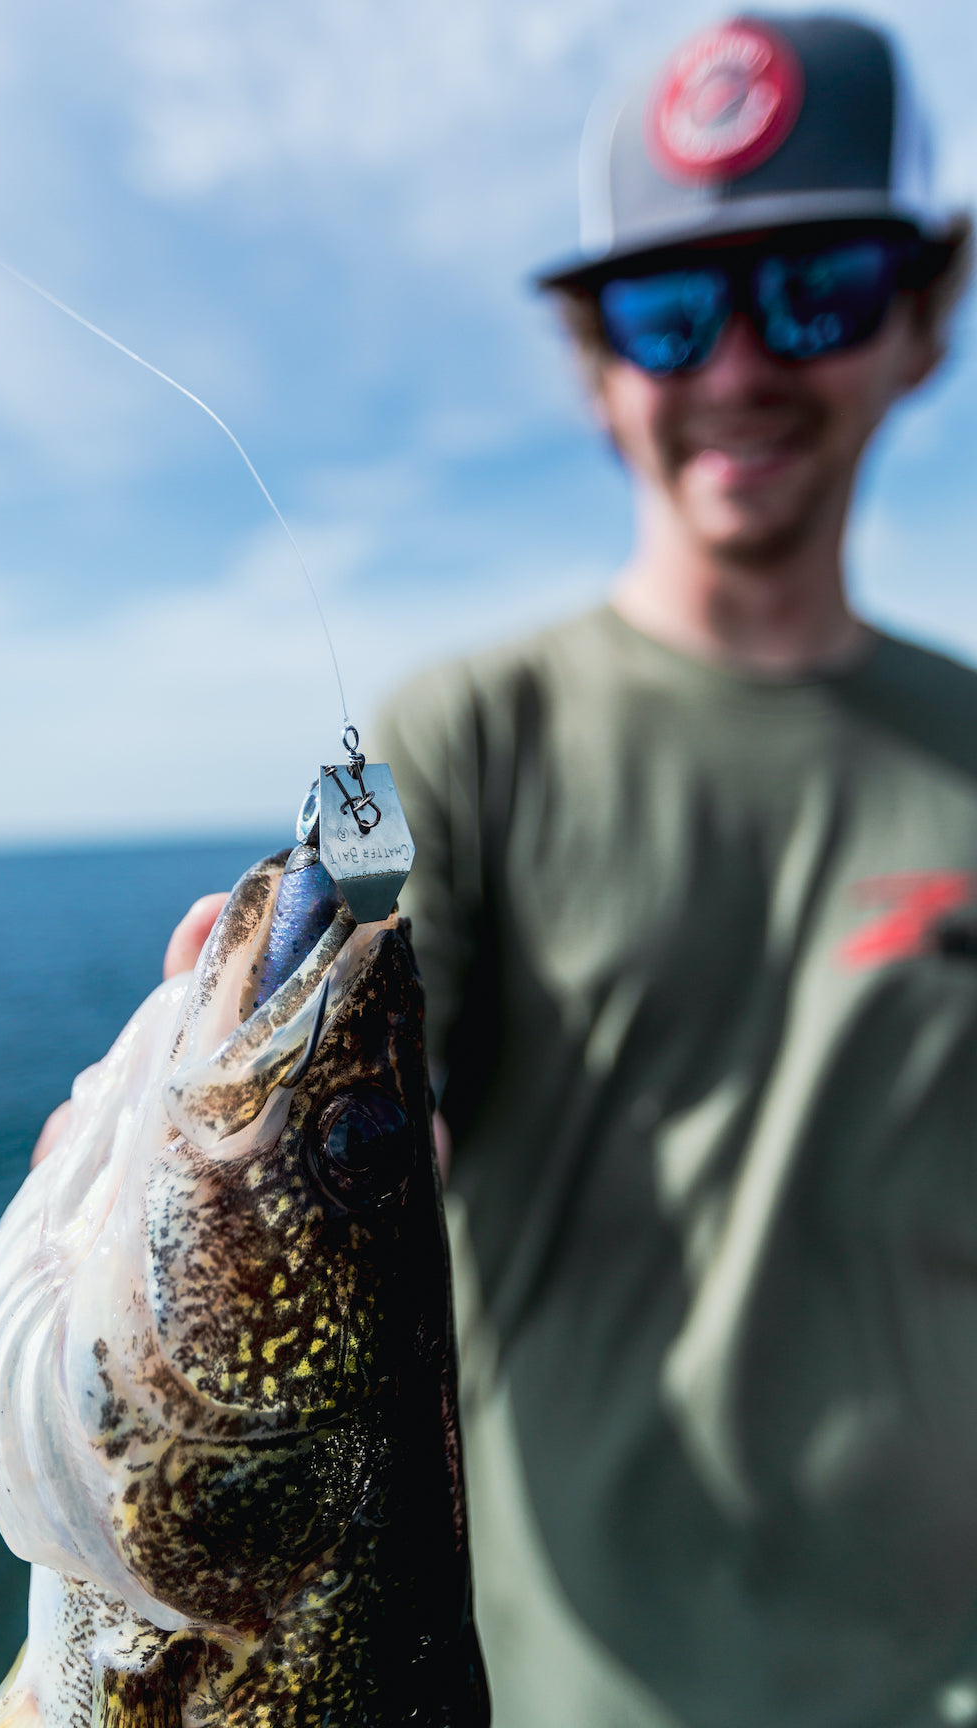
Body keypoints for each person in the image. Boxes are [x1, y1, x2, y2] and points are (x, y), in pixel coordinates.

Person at [365, 13, 977, 1728]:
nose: (732, 369)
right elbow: (365, 1134)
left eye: (815, 291)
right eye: (665, 310)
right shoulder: (464, 737)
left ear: (929, 312)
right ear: (593, 361)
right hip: (553, 1687)